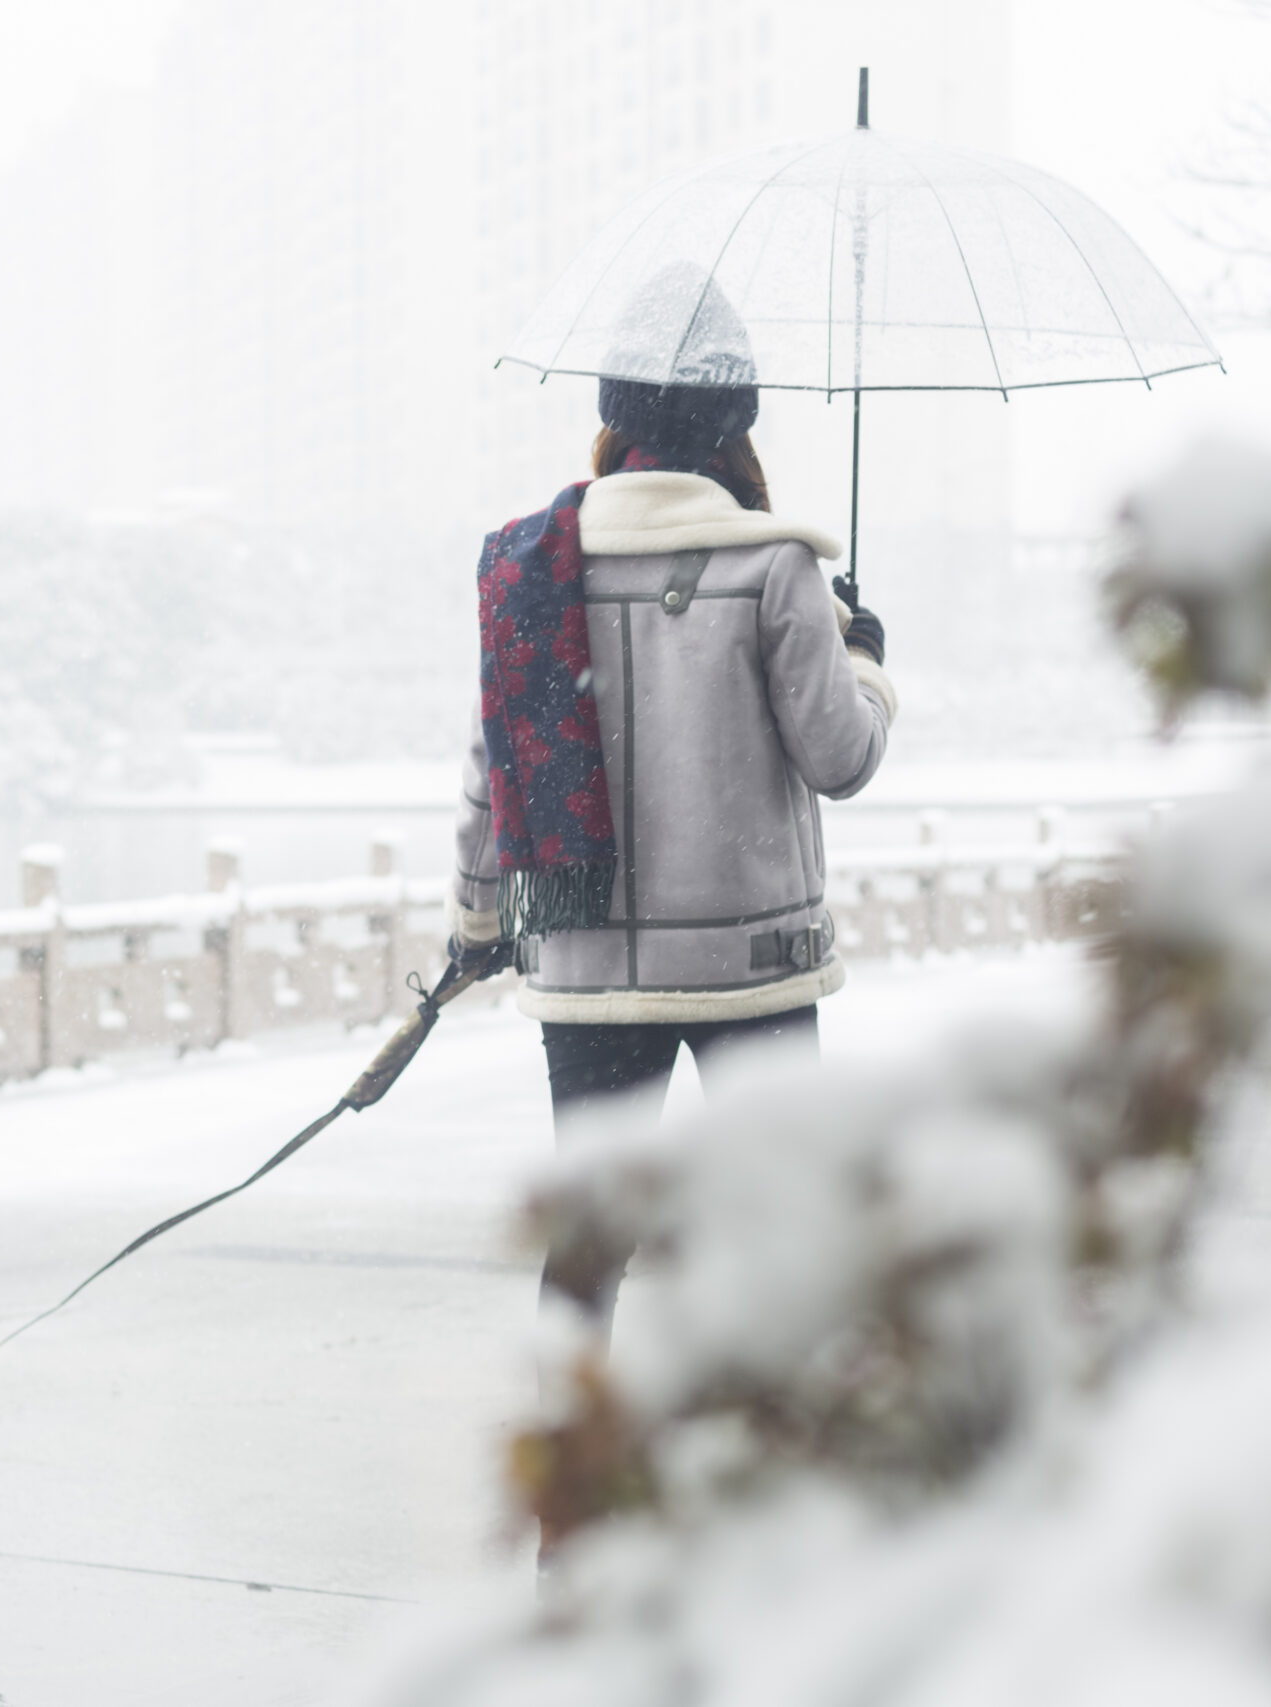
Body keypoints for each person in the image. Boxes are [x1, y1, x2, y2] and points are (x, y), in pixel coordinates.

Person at [449, 272, 896, 1333]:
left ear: (614, 421)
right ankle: (762, 1452)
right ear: (734, 428)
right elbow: (841, 759)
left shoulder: (526, 569)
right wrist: (863, 660)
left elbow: (489, 771)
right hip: (752, 971)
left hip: (586, 963)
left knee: (591, 1232)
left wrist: (477, 925)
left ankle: (570, 1458)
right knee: (778, 1222)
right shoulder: (772, 560)